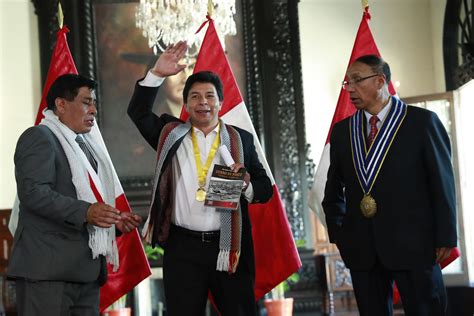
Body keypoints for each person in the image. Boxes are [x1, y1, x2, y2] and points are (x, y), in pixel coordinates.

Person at [128, 41, 273, 316]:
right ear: (185, 104)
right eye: (194, 96)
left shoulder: (240, 140)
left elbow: (265, 190)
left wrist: (246, 185)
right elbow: (137, 113)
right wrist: (156, 74)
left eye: (209, 96)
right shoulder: (170, 134)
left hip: (228, 246)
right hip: (182, 248)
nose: (202, 102)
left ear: (221, 101)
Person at [322, 55, 457, 316]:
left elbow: (442, 184)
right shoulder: (342, 132)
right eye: (347, 82)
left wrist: (445, 236)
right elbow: (333, 190)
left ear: (380, 81)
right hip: (362, 250)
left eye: (357, 81)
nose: (349, 88)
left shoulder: (422, 123)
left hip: (416, 245)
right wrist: (340, 233)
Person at [7, 74, 142, 316]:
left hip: (86, 273)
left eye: (94, 103)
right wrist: (87, 212)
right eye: (86, 102)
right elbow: (33, 192)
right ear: (60, 104)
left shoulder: (86, 148)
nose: (93, 110)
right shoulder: (39, 137)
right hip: (48, 274)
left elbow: (87, 199)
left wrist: (112, 220)